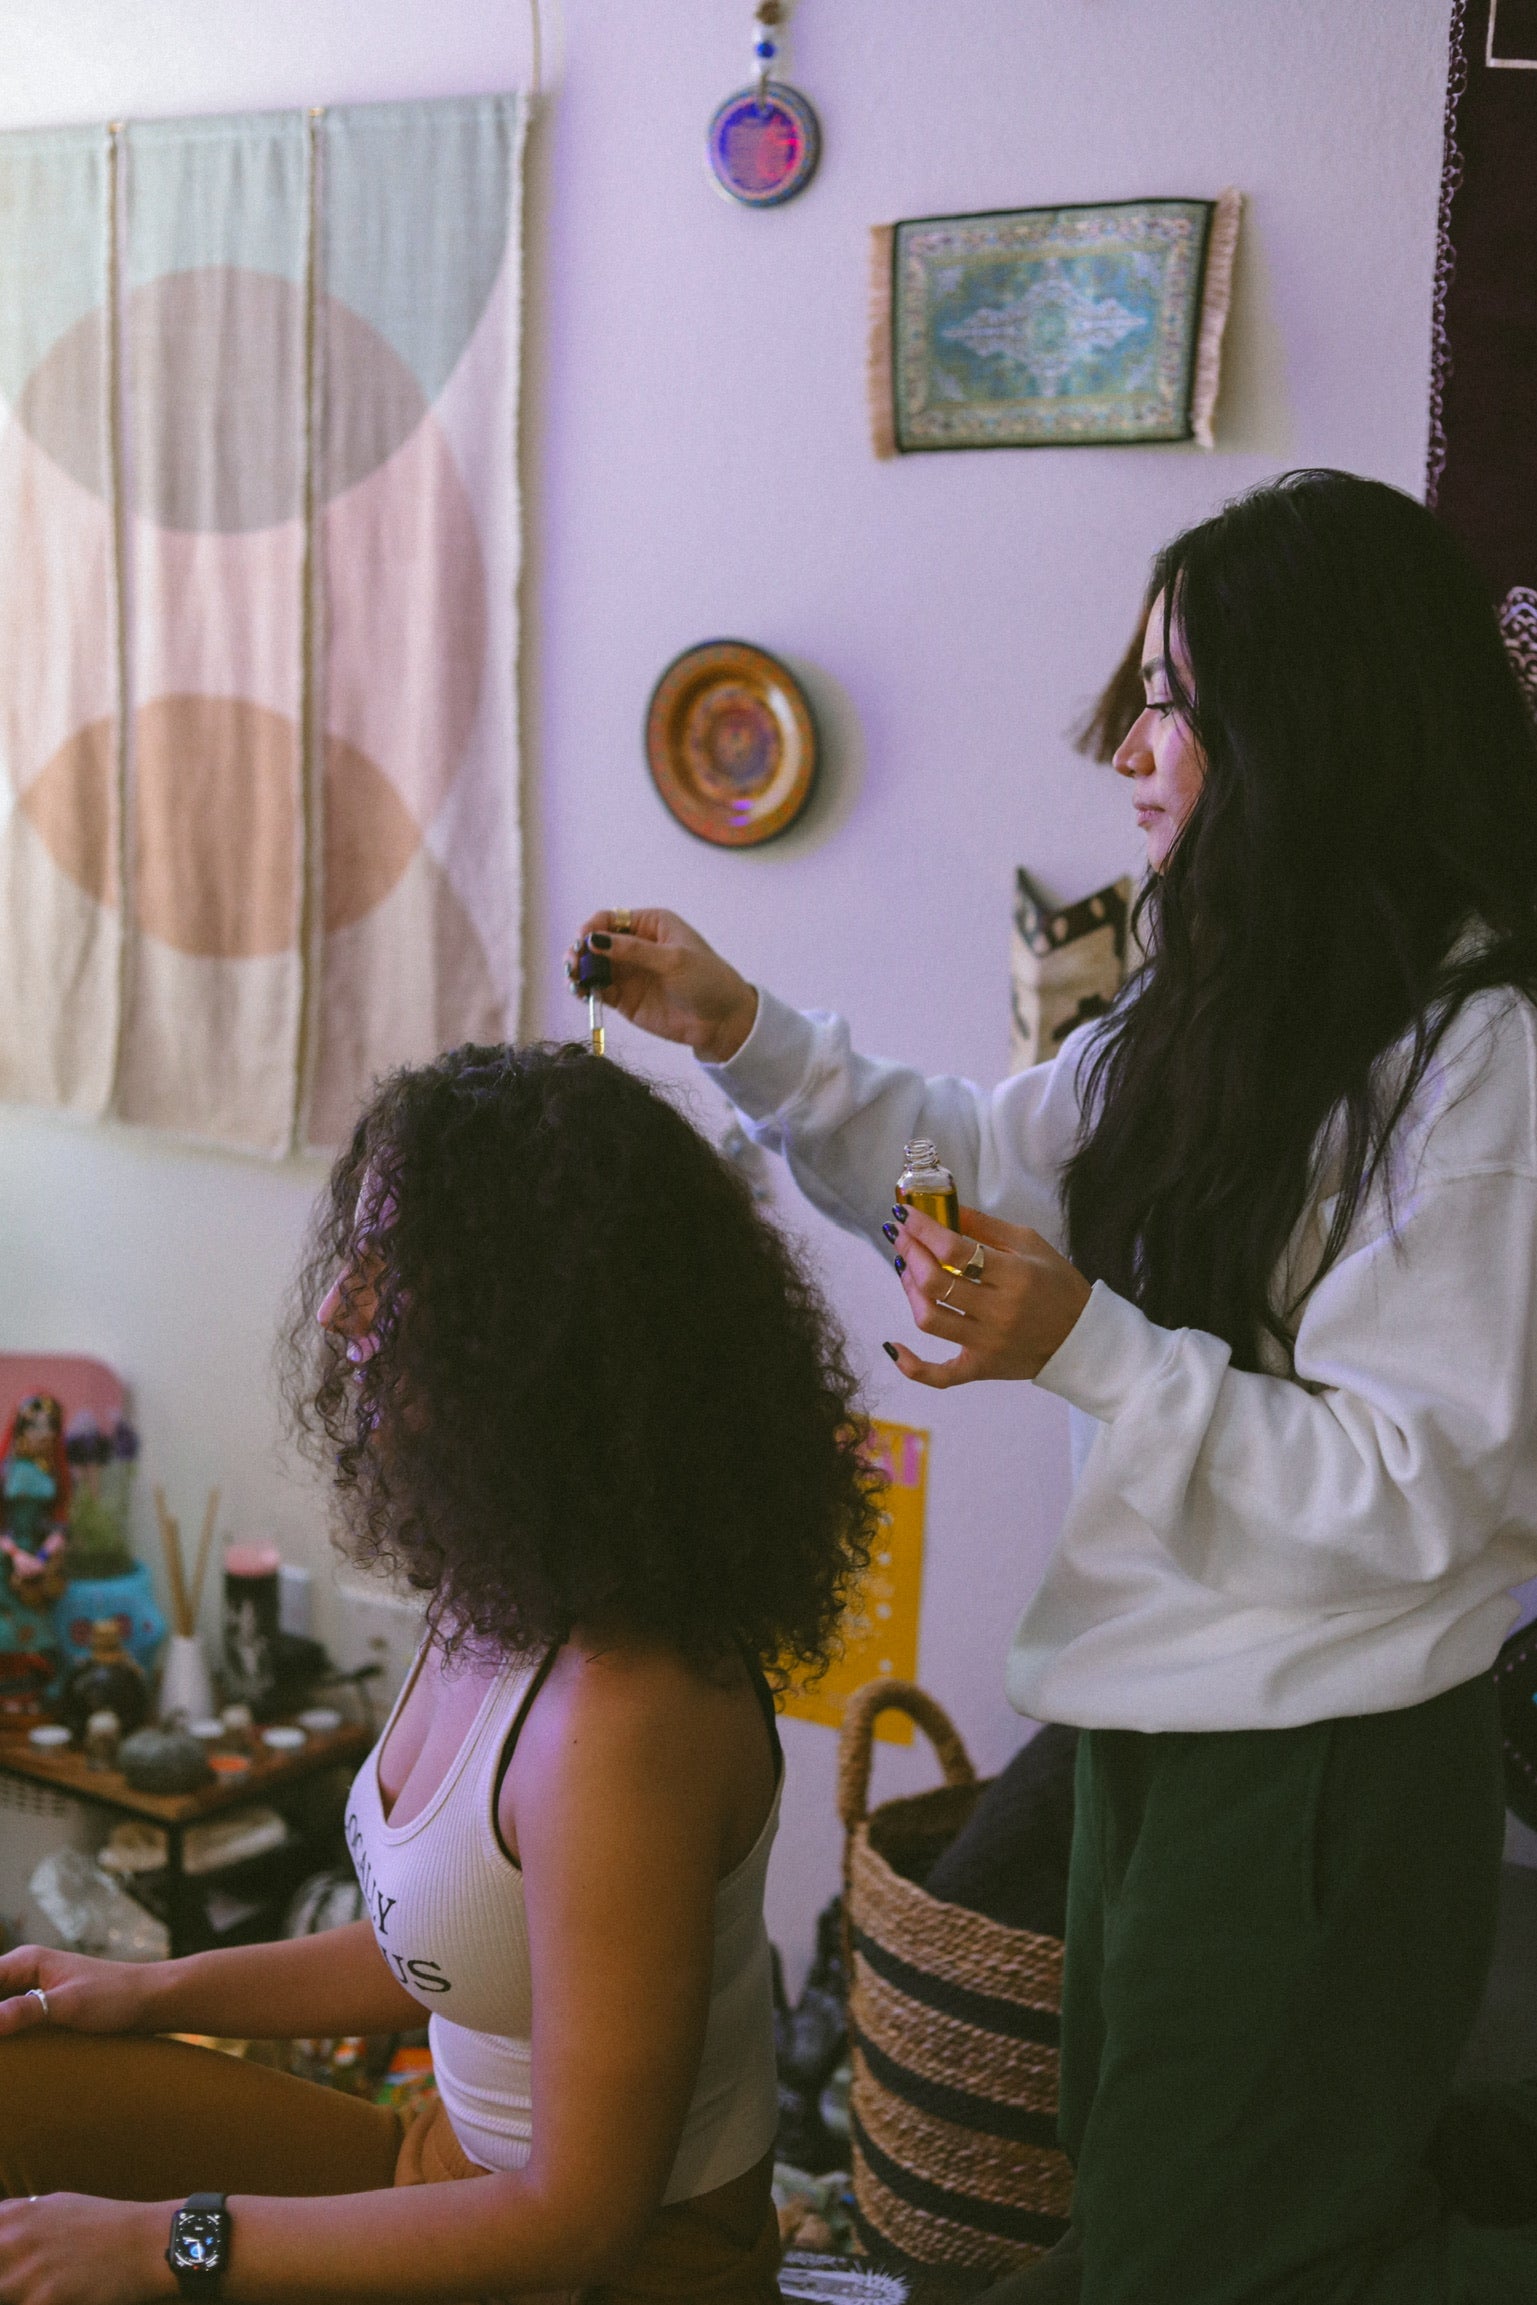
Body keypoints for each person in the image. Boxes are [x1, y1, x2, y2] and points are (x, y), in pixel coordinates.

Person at [571, 470, 1537, 2302]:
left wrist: (1087, 1343)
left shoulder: (1471, 1068)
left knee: (1213, 2257)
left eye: (1174, 702)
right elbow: (973, 1159)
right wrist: (741, 1032)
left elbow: (1416, 1490)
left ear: (1311, 725)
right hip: (1156, 1725)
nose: (1130, 748)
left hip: (1320, 1763)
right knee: (1155, 2214)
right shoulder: (1222, 1005)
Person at [0, 1043, 879, 2305]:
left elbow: (574, 2225)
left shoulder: (624, 1714)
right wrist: (148, 1989)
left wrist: (160, 2247)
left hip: (603, 2273)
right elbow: (450, 1944)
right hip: (443, 2170)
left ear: (530, 1331)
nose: (336, 1308)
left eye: (387, 1265)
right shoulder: (504, 1582)